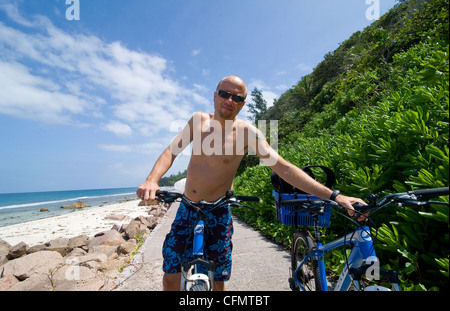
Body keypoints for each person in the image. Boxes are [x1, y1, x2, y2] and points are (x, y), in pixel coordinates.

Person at [137, 75, 367, 291]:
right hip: (188, 206)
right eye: (225, 93)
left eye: (237, 97)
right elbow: (171, 151)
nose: (230, 100)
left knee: (218, 279)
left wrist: (335, 196)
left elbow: (283, 167)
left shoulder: (248, 133)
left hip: (219, 210)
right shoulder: (198, 121)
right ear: (214, 95)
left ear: (243, 104)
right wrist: (151, 180)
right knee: (171, 273)